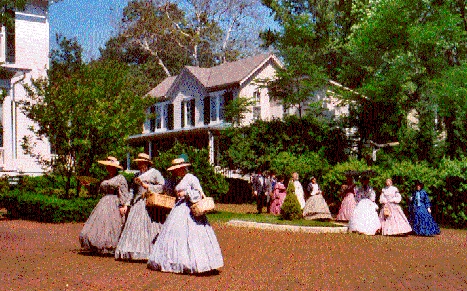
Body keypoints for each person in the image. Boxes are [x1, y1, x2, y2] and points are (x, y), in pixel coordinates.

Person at [147, 157, 223, 274]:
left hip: (190, 209)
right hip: (178, 208)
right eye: (174, 170)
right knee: (176, 234)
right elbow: (169, 192)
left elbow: (199, 193)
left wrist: (186, 193)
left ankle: (196, 262)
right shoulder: (177, 179)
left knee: (193, 236)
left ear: (183, 168)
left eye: (178, 169)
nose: (176, 171)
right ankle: (177, 261)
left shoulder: (191, 178)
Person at [115, 153, 166, 260]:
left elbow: (162, 186)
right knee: (135, 226)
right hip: (138, 203)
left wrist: (146, 186)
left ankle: (152, 251)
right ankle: (134, 251)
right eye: (138, 162)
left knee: (150, 227)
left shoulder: (155, 173)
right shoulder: (136, 175)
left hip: (150, 203)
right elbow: (132, 191)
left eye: (142, 162)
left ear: (147, 163)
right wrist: (127, 204)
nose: (140, 164)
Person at [79, 156, 131, 254]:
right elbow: (98, 190)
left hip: (114, 202)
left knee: (112, 226)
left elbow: (124, 193)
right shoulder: (106, 178)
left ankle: (110, 246)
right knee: (101, 225)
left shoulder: (120, 178)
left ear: (115, 167)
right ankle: (97, 246)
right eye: (107, 166)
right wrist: (88, 186)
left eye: (110, 166)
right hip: (104, 202)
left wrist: (123, 205)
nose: (108, 168)